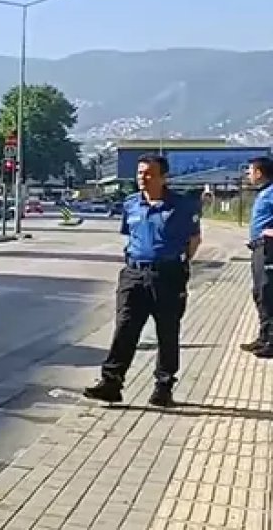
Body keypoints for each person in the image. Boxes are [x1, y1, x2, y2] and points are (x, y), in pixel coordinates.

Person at [84, 154, 201, 408]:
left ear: (163, 177)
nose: (143, 178)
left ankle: (163, 386)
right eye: (140, 173)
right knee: (125, 328)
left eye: (149, 173)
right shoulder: (131, 204)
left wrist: (177, 264)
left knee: (167, 331)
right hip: (133, 274)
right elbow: (130, 236)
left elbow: (194, 241)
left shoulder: (181, 205)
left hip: (167, 275)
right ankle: (112, 383)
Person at [241, 156, 273, 356]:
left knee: (268, 292)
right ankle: (263, 337)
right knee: (260, 293)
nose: (247, 174)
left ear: (259, 173)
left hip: (269, 248)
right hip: (259, 248)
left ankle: (270, 341)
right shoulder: (265, 193)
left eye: (250, 170)